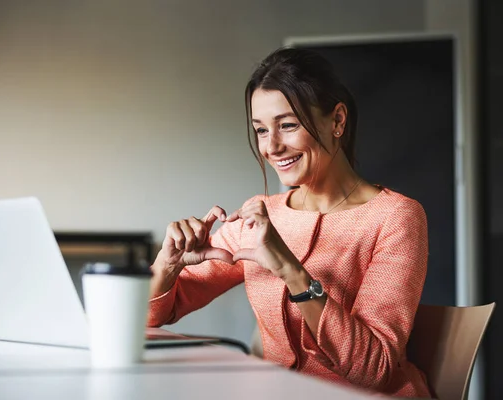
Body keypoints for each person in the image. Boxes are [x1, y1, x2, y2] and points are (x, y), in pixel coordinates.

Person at [147, 47, 431, 398]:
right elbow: (148, 318)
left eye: (288, 125)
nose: (272, 147)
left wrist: (290, 271)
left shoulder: (396, 217)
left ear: (337, 121)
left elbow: (374, 371)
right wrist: (167, 265)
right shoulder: (261, 214)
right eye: (261, 130)